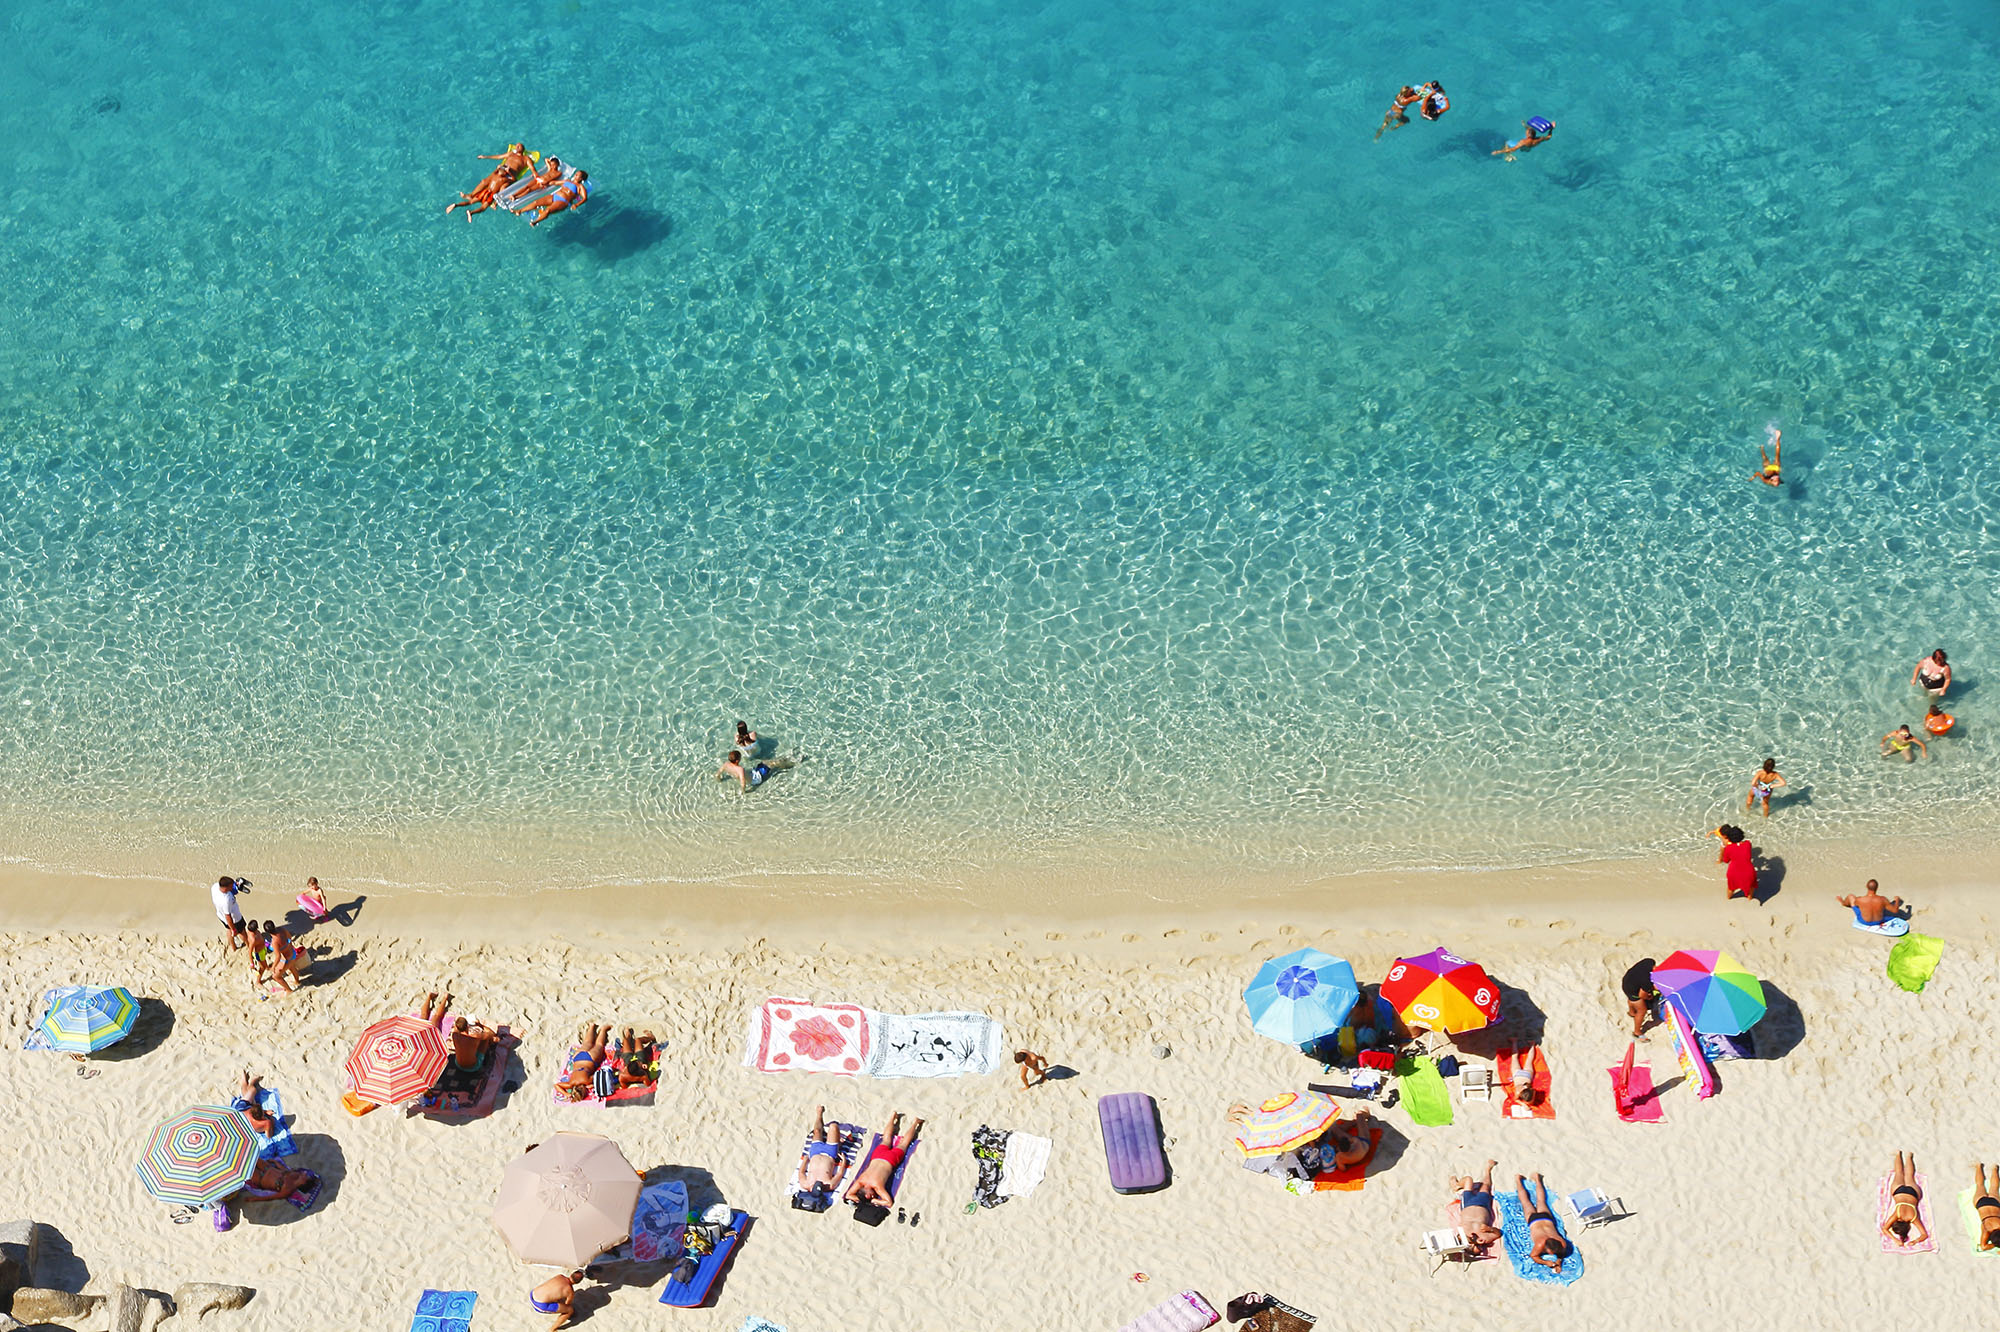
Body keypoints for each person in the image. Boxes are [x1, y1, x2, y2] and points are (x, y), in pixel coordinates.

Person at [845, 1111, 922, 1208]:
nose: (874, 1195)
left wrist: (874, 1200)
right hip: (877, 1156)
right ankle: (893, 1117)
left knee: (904, 1143)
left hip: (890, 1160)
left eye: (871, 1196)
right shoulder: (860, 1181)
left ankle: (916, 1123)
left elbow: (889, 1203)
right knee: (886, 1139)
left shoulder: (877, 1187)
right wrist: (858, 1198)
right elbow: (849, 1195)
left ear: (868, 1195)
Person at [446, 142, 535, 220]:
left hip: (509, 175)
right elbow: (499, 157)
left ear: (523, 149)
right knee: (485, 182)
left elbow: (531, 167)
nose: (517, 146)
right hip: (502, 170)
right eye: (517, 145)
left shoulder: (526, 159)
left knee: (502, 188)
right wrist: (486, 157)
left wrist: (535, 174)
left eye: (519, 146)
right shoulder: (511, 154)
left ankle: (495, 202)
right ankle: (471, 196)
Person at [795, 1105, 855, 1202]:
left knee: (817, 1131)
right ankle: (838, 1143)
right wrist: (843, 1161)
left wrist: (805, 1161)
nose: (821, 1183)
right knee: (833, 1126)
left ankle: (819, 1114)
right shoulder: (830, 1185)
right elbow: (840, 1173)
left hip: (815, 1152)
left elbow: (801, 1172)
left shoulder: (805, 1184)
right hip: (829, 1153)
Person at [1516, 1173, 1571, 1269]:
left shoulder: (1561, 1242)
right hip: (1535, 1220)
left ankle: (1532, 1180)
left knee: (1535, 1201)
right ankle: (1524, 1180)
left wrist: (1558, 1263)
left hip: (1545, 1218)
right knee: (1529, 1202)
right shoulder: (1541, 1244)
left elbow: (1560, 1255)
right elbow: (1533, 1256)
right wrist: (1545, 1262)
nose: (1552, 1254)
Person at [1449, 1160, 1504, 1248]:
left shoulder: (1462, 1237)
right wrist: (1489, 1229)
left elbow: (1456, 1238)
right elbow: (1499, 1233)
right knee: (1486, 1187)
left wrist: (1468, 1239)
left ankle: (1457, 1185)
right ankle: (1487, 1170)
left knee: (1468, 1179)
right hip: (1483, 1205)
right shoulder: (1484, 1237)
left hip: (1467, 1204)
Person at [1881, 1151, 1929, 1248]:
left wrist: (1914, 1241)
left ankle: (1908, 1157)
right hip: (1899, 1192)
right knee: (1899, 1173)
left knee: (1909, 1176)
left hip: (1913, 1193)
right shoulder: (1897, 1215)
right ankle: (1899, 1154)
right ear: (1897, 1221)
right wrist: (1895, 1240)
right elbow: (1885, 1229)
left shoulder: (1913, 1218)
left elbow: (1924, 1235)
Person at [557, 1024, 609, 1101]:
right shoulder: (571, 1083)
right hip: (577, 1057)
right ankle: (591, 1026)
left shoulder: (586, 1081)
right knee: (587, 1043)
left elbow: (597, 1077)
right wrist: (566, 1094)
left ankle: (604, 1029)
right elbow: (557, 1085)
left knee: (599, 1045)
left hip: (590, 1059)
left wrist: (591, 1085)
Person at [524, 170, 588, 227]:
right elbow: (555, 182)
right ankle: (521, 211)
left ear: (581, 178)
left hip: (563, 201)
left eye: (577, 175)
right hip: (555, 196)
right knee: (536, 203)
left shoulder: (580, 186)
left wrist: (576, 205)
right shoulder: (568, 181)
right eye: (576, 173)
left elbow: (585, 198)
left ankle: (535, 222)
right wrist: (546, 183)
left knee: (547, 210)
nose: (575, 175)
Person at [716, 749, 795, 791]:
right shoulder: (740, 769)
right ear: (737, 761)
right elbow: (743, 783)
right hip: (756, 778)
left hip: (752, 773)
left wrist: (719, 780)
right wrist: (743, 792)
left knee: (765, 762)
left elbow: (717, 774)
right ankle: (789, 763)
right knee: (772, 765)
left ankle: (785, 760)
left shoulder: (726, 764)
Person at [1837, 879, 1907, 925]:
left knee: (1851, 896)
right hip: (1879, 921)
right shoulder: (1883, 899)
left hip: (1863, 921)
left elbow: (1855, 905)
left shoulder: (1860, 899)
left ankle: (1843, 903)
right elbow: (1895, 911)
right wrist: (1897, 900)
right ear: (1877, 888)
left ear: (1866, 886)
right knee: (1882, 908)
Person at [1714, 825, 1756, 901]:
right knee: (1751, 886)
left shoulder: (1728, 848)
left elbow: (1726, 860)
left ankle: (1729, 898)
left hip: (1734, 872)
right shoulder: (1748, 844)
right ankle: (1749, 898)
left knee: (1731, 888)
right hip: (1749, 872)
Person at [1620, 958, 1659, 1038]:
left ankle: (1632, 1012)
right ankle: (1637, 1032)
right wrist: (1649, 997)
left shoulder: (1649, 961)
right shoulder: (1646, 981)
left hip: (1627, 982)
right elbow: (1641, 995)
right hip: (1634, 992)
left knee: (1631, 999)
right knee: (1642, 1010)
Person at [212, 876, 248, 951]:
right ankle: (248, 944)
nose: (232, 887)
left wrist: (231, 929)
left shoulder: (215, 886)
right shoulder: (226, 900)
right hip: (235, 919)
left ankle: (233, 947)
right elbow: (228, 916)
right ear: (226, 888)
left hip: (220, 915)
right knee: (242, 932)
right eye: (231, 886)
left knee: (228, 930)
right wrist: (234, 929)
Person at [1973, 1164, 2000, 1251]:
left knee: (1994, 1188)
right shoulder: (1986, 1230)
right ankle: (1978, 1167)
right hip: (1981, 1204)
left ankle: (1994, 1169)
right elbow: (1983, 1247)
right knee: (1979, 1185)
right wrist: (1994, 1245)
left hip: (1995, 1204)